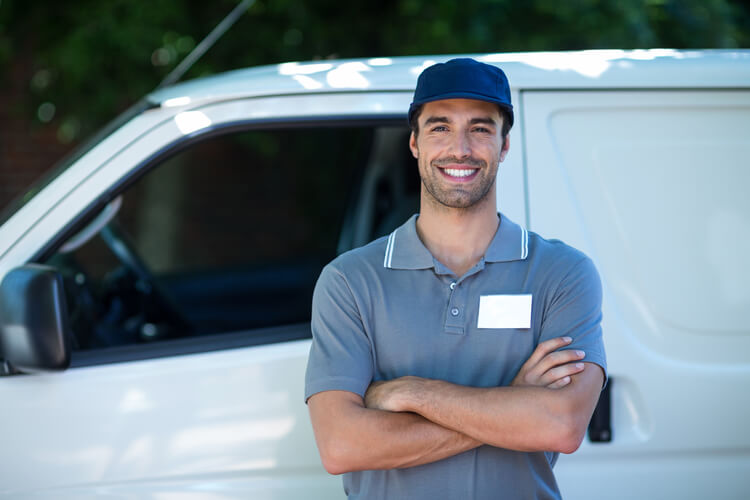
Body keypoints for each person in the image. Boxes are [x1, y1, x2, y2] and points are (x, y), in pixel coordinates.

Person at [305, 58, 606, 499]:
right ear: (415, 143)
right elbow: (341, 445)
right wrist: (514, 404)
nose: (460, 148)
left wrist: (413, 392)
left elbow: (561, 426)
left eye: (481, 129)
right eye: (440, 127)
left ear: (504, 145)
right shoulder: (350, 281)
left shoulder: (562, 274)